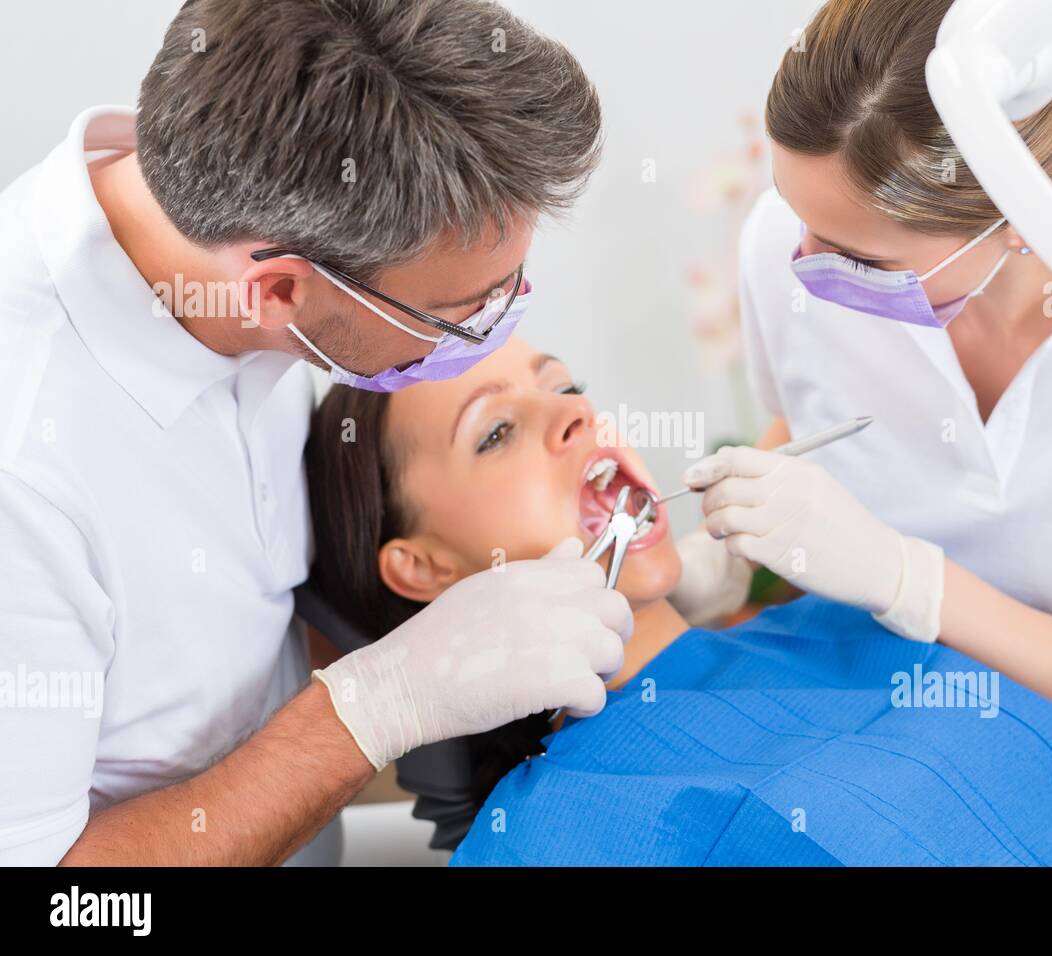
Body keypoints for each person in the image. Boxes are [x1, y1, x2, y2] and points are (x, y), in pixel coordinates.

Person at [0, 0, 631, 866]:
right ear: (280, 295)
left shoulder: (246, 164)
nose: (502, 321)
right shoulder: (27, 469)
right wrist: (380, 705)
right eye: (463, 312)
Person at [669, 0, 1052, 864]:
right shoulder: (786, 248)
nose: (799, 265)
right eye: (791, 209)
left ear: (1023, 224)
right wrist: (735, 558)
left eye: (861, 260)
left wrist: (911, 583)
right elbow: (810, 423)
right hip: (901, 722)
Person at [302, 336, 1052, 867]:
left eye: (570, 387)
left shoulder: (836, 626)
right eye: (497, 431)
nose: (575, 415)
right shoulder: (542, 833)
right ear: (419, 566)